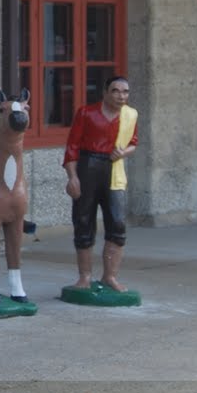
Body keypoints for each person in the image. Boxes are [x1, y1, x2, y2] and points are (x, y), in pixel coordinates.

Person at [62, 74, 139, 292]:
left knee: (117, 221)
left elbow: (134, 142)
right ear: (105, 93)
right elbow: (72, 147)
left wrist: (123, 152)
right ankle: (84, 276)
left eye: (125, 91)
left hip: (113, 170)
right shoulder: (87, 113)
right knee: (83, 220)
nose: (121, 96)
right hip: (88, 166)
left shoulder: (130, 115)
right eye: (115, 90)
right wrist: (73, 176)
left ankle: (110, 276)